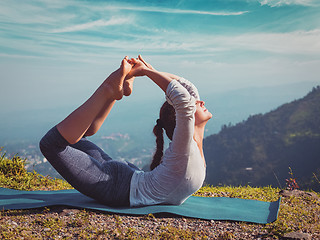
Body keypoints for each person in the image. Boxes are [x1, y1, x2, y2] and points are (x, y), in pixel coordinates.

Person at [39, 55, 212, 207]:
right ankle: (109, 90)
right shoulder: (185, 147)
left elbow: (186, 95)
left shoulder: (185, 147)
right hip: (121, 184)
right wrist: (149, 71)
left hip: (122, 182)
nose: (201, 101)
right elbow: (186, 93)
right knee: (57, 143)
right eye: (196, 102)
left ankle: (113, 92)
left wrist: (147, 71)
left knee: (64, 140)